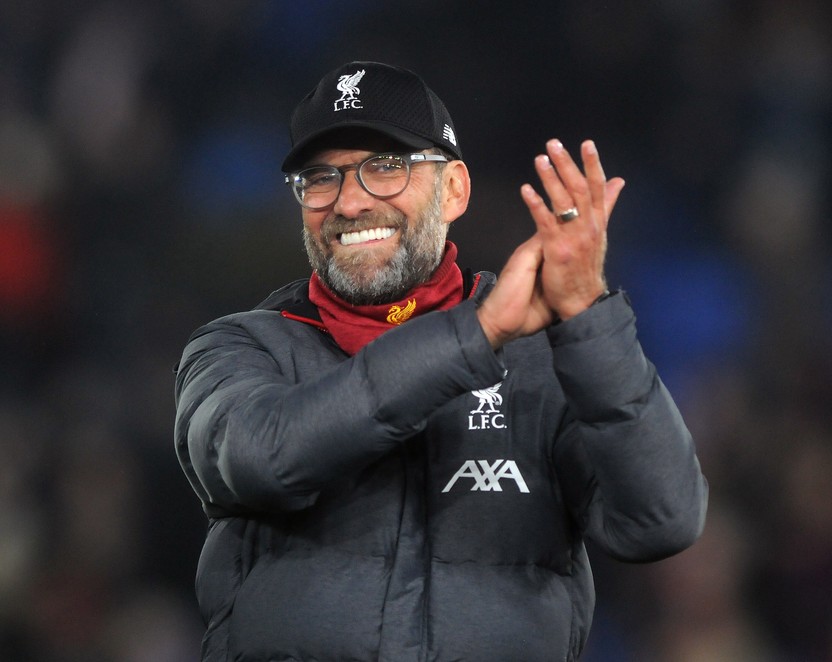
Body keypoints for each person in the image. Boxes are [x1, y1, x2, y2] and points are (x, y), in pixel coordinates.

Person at [174, 60, 708, 661]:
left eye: (385, 167)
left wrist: (588, 318)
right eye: (320, 178)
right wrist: (475, 336)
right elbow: (261, 459)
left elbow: (661, 520)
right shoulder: (241, 348)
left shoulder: (548, 359)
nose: (349, 203)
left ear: (453, 189)